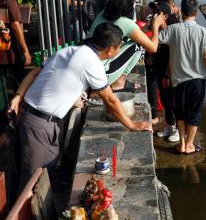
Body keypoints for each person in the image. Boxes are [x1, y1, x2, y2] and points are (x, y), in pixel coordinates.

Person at [6, 23, 152, 202]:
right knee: (34, 184)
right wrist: (132, 125)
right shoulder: (91, 62)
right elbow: (111, 100)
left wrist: (18, 96)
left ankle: (17, 219)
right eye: (118, 47)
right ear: (111, 49)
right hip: (40, 125)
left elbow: (35, 74)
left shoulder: (69, 51)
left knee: (21, 174)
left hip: (27, 115)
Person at [159, 0, 206, 154]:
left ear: (182, 13)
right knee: (194, 113)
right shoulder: (203, 32)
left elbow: (156, 38)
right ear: (197, 13)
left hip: (178, 82)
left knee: (179, 113)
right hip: (197, 81)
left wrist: (157, 22)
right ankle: (190, 145)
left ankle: (182, 144)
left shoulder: (174, 30)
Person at [87, 0, 165, 90]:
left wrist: (146, 28)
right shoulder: (125, 23)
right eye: (133, 0)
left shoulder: (103, 13)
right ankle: (120, 80)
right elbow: (152, 48)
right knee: (138, 45)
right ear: (128, 3)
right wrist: (155, 26)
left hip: (89, 68)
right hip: (102, 75)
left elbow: (132, 33)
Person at [147, 0, 181, 142]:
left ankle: (178, 130)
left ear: (165, 16)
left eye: (157, 13)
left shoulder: (172, 31)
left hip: (171, 72)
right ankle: (169, 125)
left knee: (173, 100)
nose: (154, 16)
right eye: (154, 12)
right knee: (166, 100)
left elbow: (174, 56)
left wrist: (168, 75)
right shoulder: (158, 29)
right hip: (159, 69)